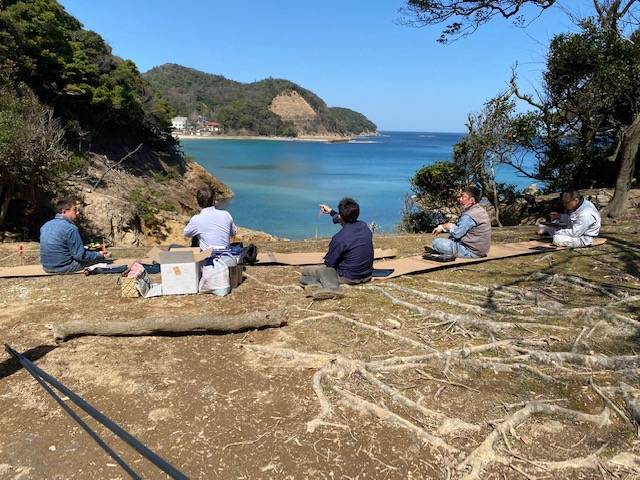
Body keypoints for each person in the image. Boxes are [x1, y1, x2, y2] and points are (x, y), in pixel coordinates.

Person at [300, 197, 374, 300]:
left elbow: (330, 265)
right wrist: (330, 211)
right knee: (314, 274)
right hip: (367, 274)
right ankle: (317, 285)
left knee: (305, 273)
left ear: (341, 216)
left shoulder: (339, 238)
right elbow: (345, 220)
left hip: (349, 277)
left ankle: (330, 288)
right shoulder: (364, 226)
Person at [40, 197, 109, 273]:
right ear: (64, 211)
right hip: (63, 267)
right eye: (75, 210)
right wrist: (98, 254)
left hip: (46, 267)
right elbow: (80, 256)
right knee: (100, 260)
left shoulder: (45, 226)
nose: (77, 213)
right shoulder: (71, 228)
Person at [431, 185, 491, 258]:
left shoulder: (469, 215)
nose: (460, 199)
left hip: (470, 251)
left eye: (463, 197)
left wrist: (446, 226)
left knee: (436, 243)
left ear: (472, 200)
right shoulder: (480, 210)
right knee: (450, 239)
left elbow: (457, 233)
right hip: (481, 250)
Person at [184, 185, 237, 250]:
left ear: (198, 202)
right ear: (214, 201)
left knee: (195, 235)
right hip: (226, 256)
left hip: (207, 256)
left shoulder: (196, 219)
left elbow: (187, 233)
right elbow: (233, 233)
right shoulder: (226, 214)